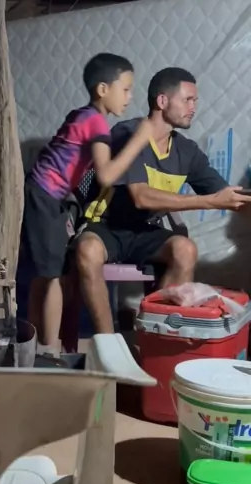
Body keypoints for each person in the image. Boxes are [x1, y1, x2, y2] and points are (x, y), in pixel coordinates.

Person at [74, 67, 251, 334]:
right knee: (88, 251)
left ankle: (155, 335)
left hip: (145, 231)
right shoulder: (128, 134)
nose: (193, 107)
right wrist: (211, 202)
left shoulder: (186, 151)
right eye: (187, 100)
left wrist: (235, 200)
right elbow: (141, 197)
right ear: (162, 101)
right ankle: (108, 342)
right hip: (106, 226)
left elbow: (229, 195)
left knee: (185, 249)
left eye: (195, 101)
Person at [22, 53, 153, 351]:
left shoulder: (81, 115)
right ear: (103, 89)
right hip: (45, 196)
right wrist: (139, 139)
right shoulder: (96, 123)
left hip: (44, 195)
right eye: (125, 89)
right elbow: (106, 175)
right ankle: (49, 350)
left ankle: (34, 344)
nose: (130, 97)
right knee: (54, 277)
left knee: (45, 276)